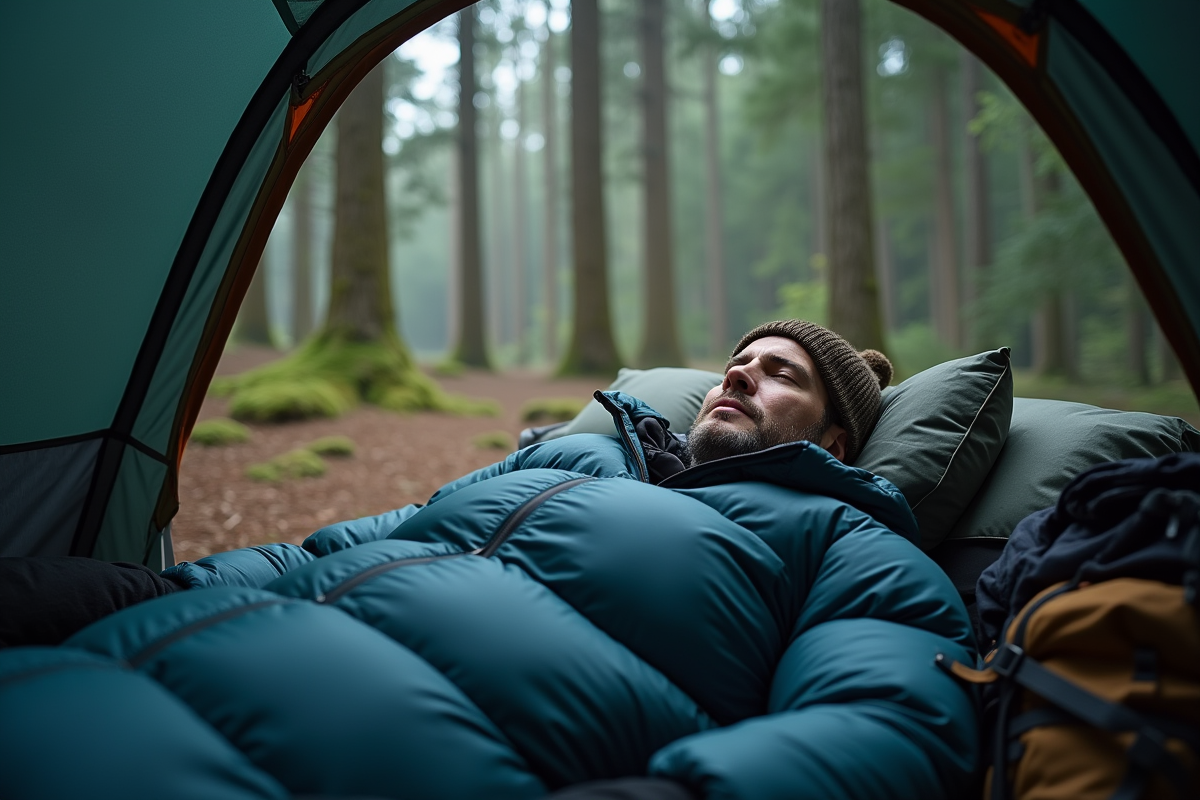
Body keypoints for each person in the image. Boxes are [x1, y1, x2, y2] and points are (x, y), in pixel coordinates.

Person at [0, 320, 979, 800]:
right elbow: (357, 544)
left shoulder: (848, 542)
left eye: (781, 373)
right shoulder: (574, 449)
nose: (739, 372)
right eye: (739, 358)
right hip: (182, 639)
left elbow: (893, 726)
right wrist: (165, 585)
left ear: (840, 438)